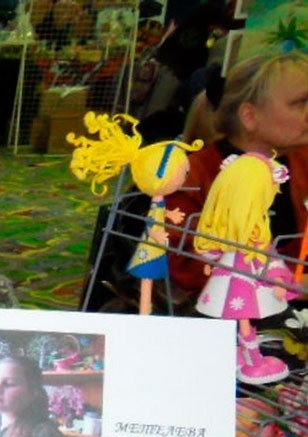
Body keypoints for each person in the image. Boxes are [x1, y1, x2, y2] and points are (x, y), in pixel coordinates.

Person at [165, 51, 308, 302]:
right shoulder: (191, 176)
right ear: (249, 116)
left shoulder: (302, 159)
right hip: (227, 314)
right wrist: (290, 286)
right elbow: (185, 270)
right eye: (301, 102)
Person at [68, 112, 202, 314]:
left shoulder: (140, 197)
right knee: (148, 282)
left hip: (136, 270)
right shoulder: (148, 201)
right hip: (138, 274)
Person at [193, 152, 299, 384]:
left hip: (228, 281)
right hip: (245, 285)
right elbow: (269, 260)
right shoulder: (254, 238)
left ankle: (243, 356)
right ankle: (253, 362)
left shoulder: (229, 230)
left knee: (241, 321)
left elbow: (214, 250)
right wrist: (279, 279)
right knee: (244, 323)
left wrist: (211, 260)